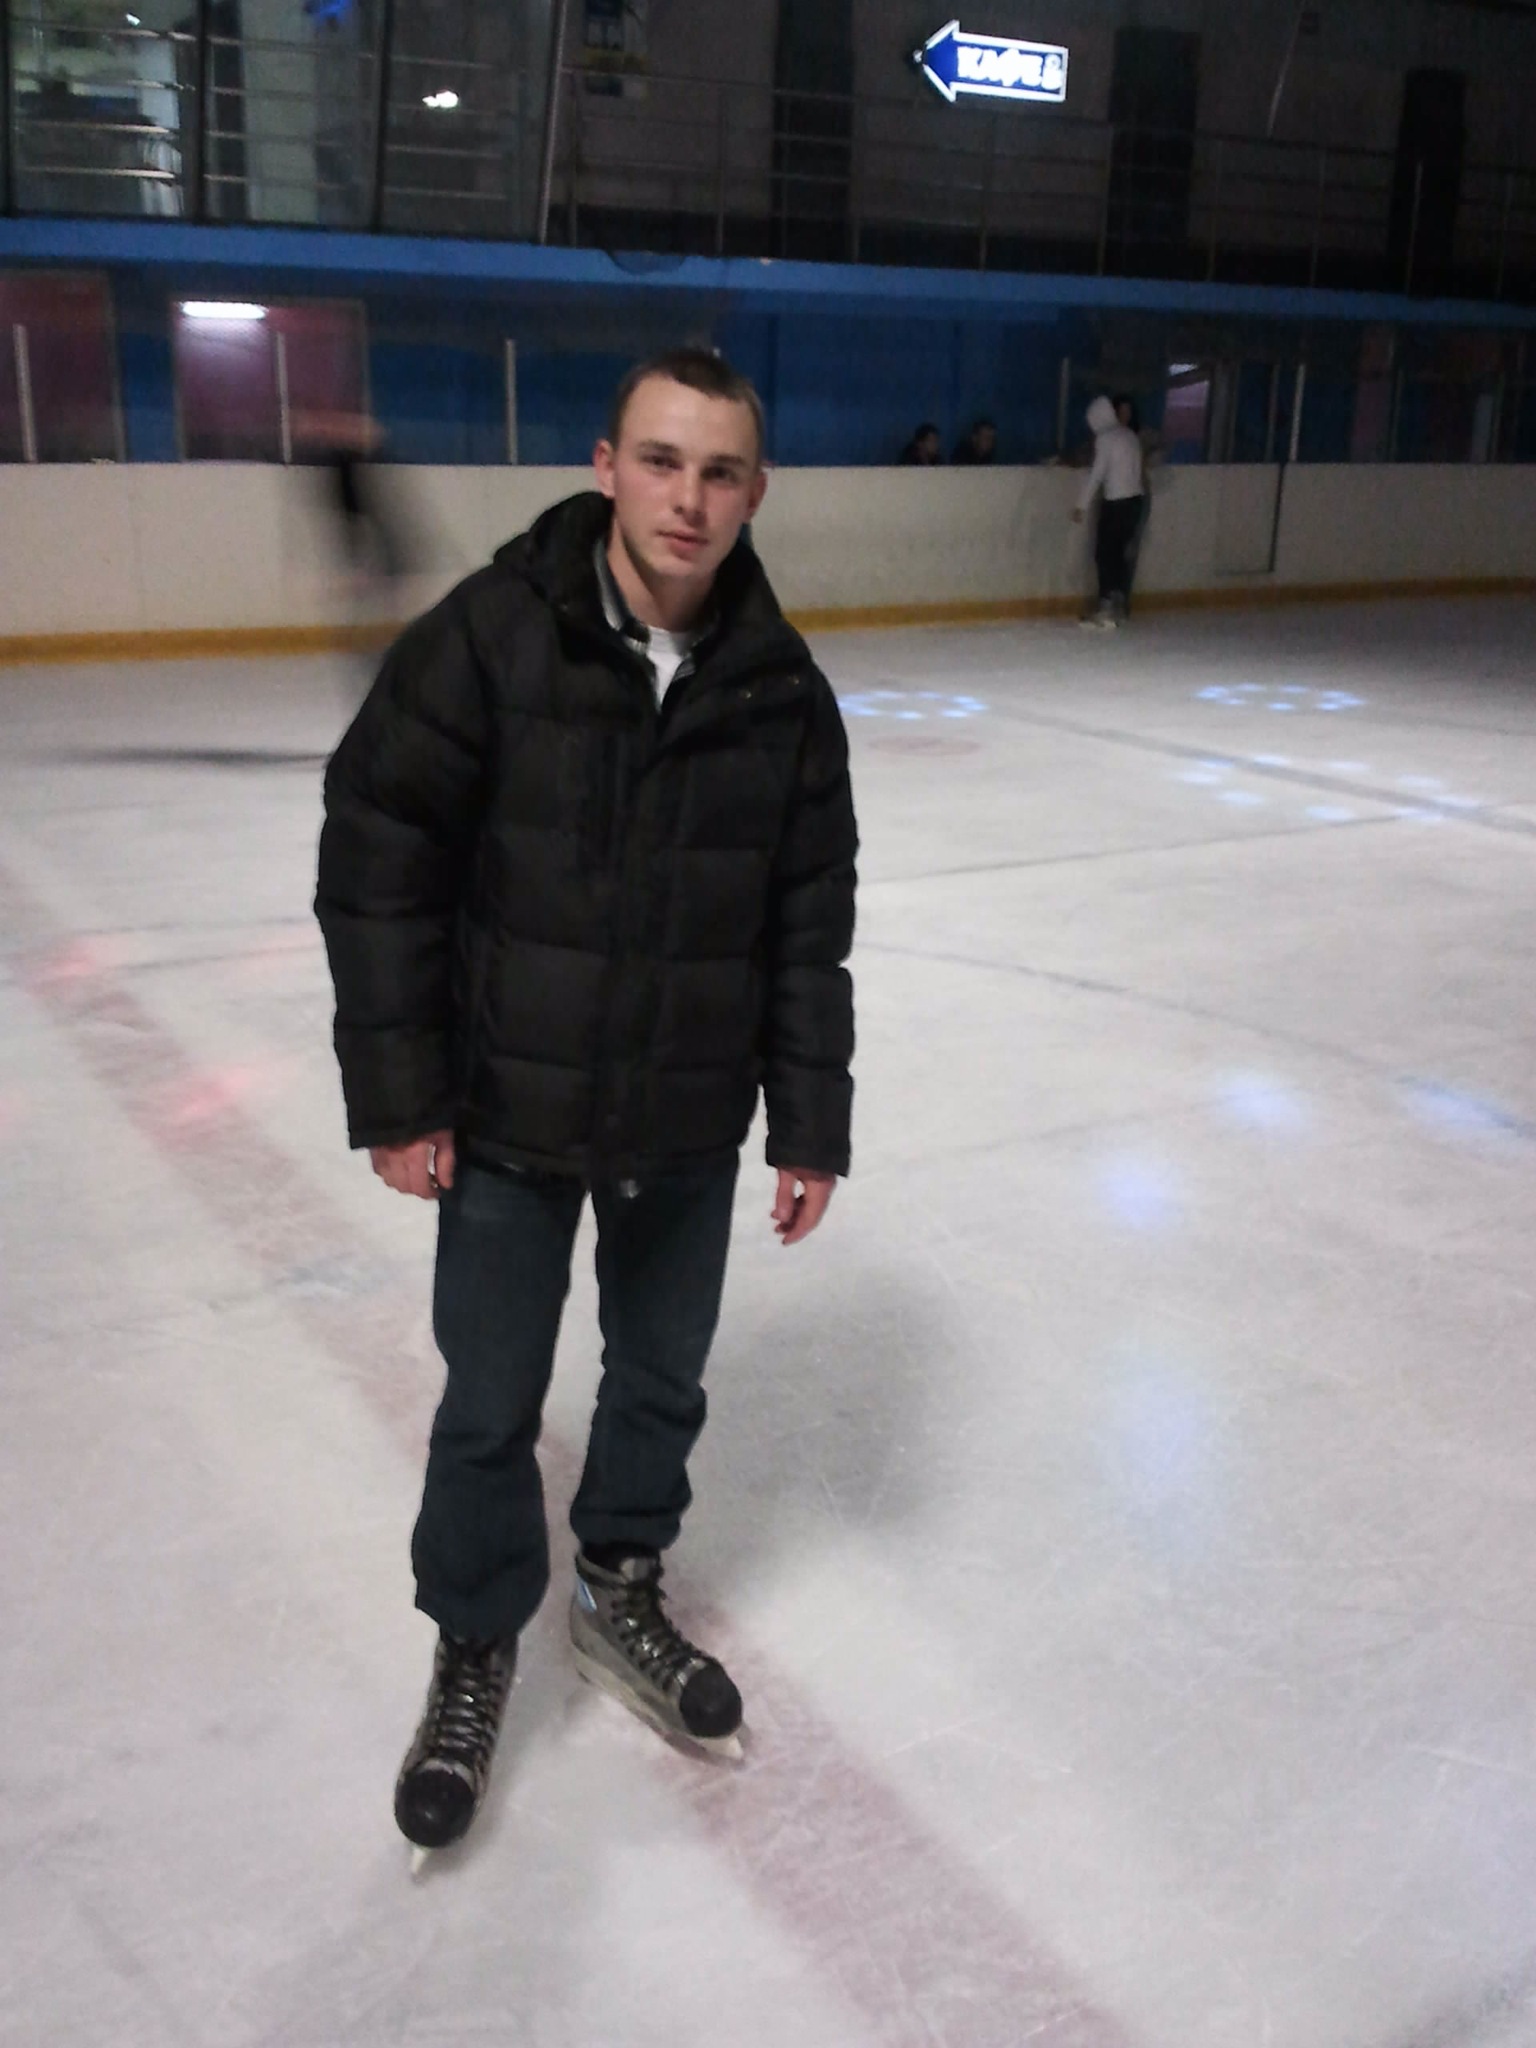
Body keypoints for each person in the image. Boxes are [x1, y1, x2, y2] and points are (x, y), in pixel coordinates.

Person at [314, 348, 858, 1861]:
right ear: (606, 465)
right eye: (662, 461)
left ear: (756, 492)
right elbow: (377, 849)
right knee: (490, 1401)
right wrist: (403, 1093)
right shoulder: (491, 637)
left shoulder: (781, 692)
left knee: (660, 1379)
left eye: (721, 471)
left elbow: (806, 923)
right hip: (507, 1111)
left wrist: (809, 1118)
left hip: (686, 1118)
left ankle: (618, 1586)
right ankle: (475, 1640)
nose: (690, 498)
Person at [1071, 393, 1146, 629]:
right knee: (1119, 555)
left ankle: (1106, 606)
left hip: (1116, 503)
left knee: (1104, 554)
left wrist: (1081, 505)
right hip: (1135, 502)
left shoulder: (1106, 438)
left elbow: (1097, 473)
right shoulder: (1129, 435)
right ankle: (1119, 605)